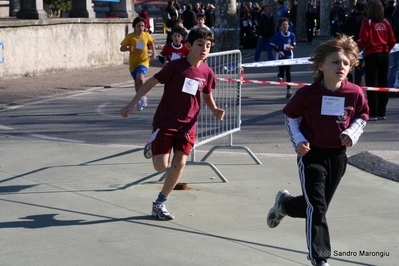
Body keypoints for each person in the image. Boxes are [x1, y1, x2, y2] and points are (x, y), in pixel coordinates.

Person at [266, 34, 369, 266]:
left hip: (338, 156)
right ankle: (319, 258)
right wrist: (299, 141)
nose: (340, 66)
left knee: (315, 206)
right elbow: (290, 116)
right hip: (311, 155)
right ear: (321, 65)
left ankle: (284, 204)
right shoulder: (307, 94)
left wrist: (352, 134)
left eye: (345, 62)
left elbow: (363, 116)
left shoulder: (355, 93)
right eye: (335, 61)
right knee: (318, 207)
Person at [120, 28, 225, 221]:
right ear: (188, 46)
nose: (204, 49)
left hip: (188, 125)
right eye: (200, 44)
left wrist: (215, 109)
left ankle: (160, 202)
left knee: (180, 163)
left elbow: (207, 94)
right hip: (166, 121)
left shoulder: (207, 72)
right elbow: (151, 82)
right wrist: (132, 103)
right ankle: (153, 145)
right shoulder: (175, 67)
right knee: (161, 166)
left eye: (208, 46)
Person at [357, 0, 396, 121]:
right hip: (384, 54)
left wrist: (357, 49)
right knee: (383, 82)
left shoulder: (367, 22)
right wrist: (386, 50)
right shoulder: (386, 22)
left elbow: (363, 38)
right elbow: (392, 39)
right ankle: (381, 111)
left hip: (372, 53)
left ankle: (373, 112)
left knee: (372, 82)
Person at [120, 17, 156, 111]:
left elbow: (151, 43)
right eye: (139, 26)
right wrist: (128, 48)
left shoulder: (146, 35)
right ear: (134, 27)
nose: (141, 28)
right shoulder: (130, 37)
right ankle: (139, 99)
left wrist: (154, 53)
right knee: (136, 82)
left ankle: (143, 96)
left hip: (144, 61)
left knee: (140, 77)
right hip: (133, 63)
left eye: (143, 26)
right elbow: (122, 48)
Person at [270, 17, 296, 98]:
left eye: (286, 24)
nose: (285, 26)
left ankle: (289, 89)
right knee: (282, 72)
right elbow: (272, 45)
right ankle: (280, 75)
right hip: (281, 56)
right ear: (280, 27)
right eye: (283, 25)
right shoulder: (277, 35)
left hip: (289, 56)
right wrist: (278, 51)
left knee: (288, 72)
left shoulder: (292, 35)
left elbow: (294, 43)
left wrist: (292, 47)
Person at [342, 0, 366, 85]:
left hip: (351, 45)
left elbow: (344, 32)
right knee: (360, 68)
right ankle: (359, 85)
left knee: (349, 66)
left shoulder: (350, 19)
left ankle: (349, 84)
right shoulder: (365, 20)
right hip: (362, 46)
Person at [388, 3, 399, 88]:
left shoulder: (395, 12)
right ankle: (392, 85)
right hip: (397, 42)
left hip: (396, 42)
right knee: (396, 66)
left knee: (396, 65)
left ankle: (392, 85)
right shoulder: (396, 13)